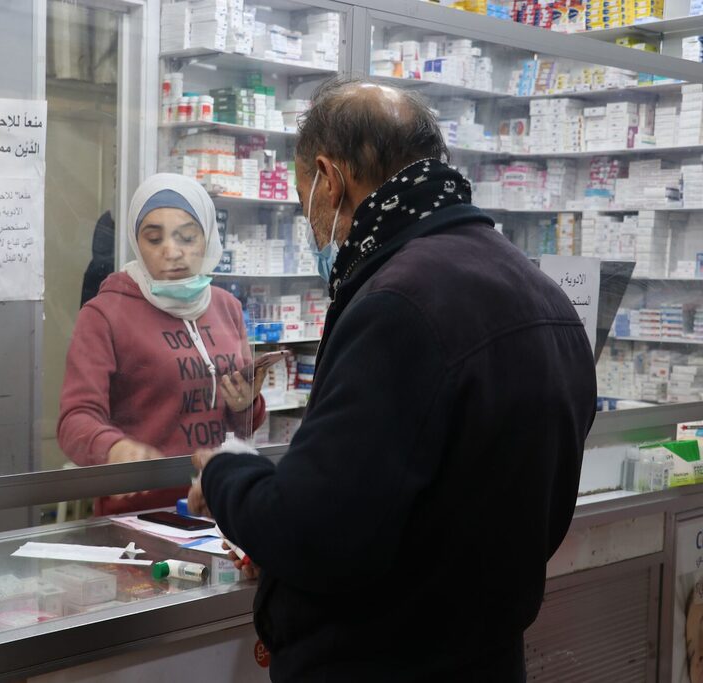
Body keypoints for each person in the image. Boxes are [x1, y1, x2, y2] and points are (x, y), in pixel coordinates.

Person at [188, 78, 598, 681]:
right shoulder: (542, 295)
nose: (313, 224)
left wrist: (223, 469)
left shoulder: (398, 305)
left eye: (307, 199)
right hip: (487, 658)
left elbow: (314, 533)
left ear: (330, 180)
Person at [58, 173, 266, 516]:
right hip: (137, 515)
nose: (171, 251)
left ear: (208, 238)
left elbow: (240, 422)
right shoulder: (105, 314)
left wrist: (246, 404)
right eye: (153, 239)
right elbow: (75, 419)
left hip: (217, 506)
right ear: (136, 243)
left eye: (186, 237)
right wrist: (114, 449)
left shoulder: (226, 307)